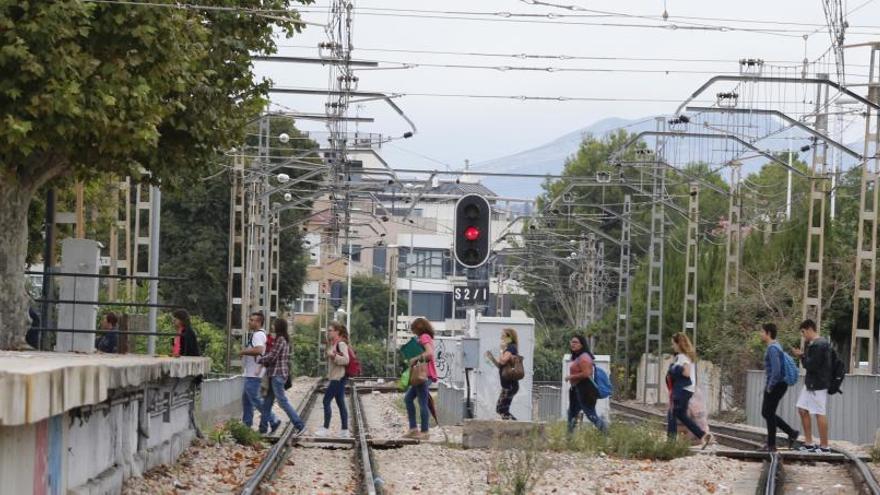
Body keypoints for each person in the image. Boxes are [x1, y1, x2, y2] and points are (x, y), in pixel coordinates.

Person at [258, 319, 305, 435]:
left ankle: (300, 425)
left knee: (283, 402)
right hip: (275, 374)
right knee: (267, 402)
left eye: (274, 324)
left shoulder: (280, 340)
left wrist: (260, 359)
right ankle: (262, 429)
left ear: (278, 326)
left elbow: (273, 356)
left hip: (277, 375)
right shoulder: (281, 339)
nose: (272, 326)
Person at [791, 319, 832, 453]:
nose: (803, 336)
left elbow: (811, 365)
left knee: (819, 413)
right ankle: (809, 443)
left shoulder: (819, 345)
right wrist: (803, 356)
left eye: (803, 332)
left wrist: (801, 356)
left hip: (817, 384)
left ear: (809, 329)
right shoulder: (815, 344)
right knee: (802, 409)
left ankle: (824, 446)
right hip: (811, 383)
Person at [667, 332, 713, 448]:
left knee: (673, 413)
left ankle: (670, 444)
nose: (672, 346)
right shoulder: (684, 356)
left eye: (673, 343)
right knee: (680, 415)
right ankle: (703, 436)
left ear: (678, 344)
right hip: (686, 389)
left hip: (683, 390)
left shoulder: (682, 357)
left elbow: (686, 373)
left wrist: (673, 369)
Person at [759, 323, 799, 451]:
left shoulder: (773, 349)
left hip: (776, 385)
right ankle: (791, 433)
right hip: (779, 384)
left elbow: (776, 371)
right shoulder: (776, 346)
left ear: (768, 333)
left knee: (767, 412)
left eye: (762, 332)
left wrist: (770, 386)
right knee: (768, 413)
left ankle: (772, 445)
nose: (760, 334)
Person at [239, 312, 278, 432]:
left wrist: (243, 352)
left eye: (252, 320)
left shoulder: (258, 335)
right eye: (250, 319)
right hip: (251, 373)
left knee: (255, 400)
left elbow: (259, 350)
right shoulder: (258, 334)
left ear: (258, 322)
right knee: (247, 400)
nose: (249, 322)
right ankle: (246, 425)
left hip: (254, 374)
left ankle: (273, 419)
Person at [403, 317, 438, 440]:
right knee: (408, 399)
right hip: (423, 374)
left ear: (418, 327)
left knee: (422, 402)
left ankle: (424, 431)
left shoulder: (424, 337)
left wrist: (415, 358)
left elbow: (429, 353)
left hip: (424, 374)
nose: (413, 332)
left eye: (413, 329)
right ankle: (413, 429)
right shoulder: (425, 337)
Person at [315, 321, 351, 438]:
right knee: (340, 403)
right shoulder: (334, 343)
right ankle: (345, 430)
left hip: (338, 377)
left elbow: (346, 360)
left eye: (330, 330)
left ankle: (325, 429)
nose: (328, 332)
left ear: (337, 332)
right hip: (336, 377)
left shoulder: (341, 344)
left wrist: (333, 356)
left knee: (326, 401)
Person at [566, 334, 608, 434]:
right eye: (572, 342)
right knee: (571, 413)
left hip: (584, 390)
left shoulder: (584, 357)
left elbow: (586, 373)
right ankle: (569, 439)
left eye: (575, 342)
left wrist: (571, 377)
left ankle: (606, 432)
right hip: (577, 389)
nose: (573, 344)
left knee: (590, 415)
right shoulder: (579, 357)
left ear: (582, 345)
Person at [486, 327, 520, 420]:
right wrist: (492, 358)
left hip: (510, 386)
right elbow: (501, 366)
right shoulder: (508, 349)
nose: (502, 338)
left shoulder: (511, 348)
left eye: (503, 336)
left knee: (502, 409)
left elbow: (503, 361)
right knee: (500, 409)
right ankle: (509, 426)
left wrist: (501, 349)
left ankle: (514, 426)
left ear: (510, 337)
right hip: (506, 386)